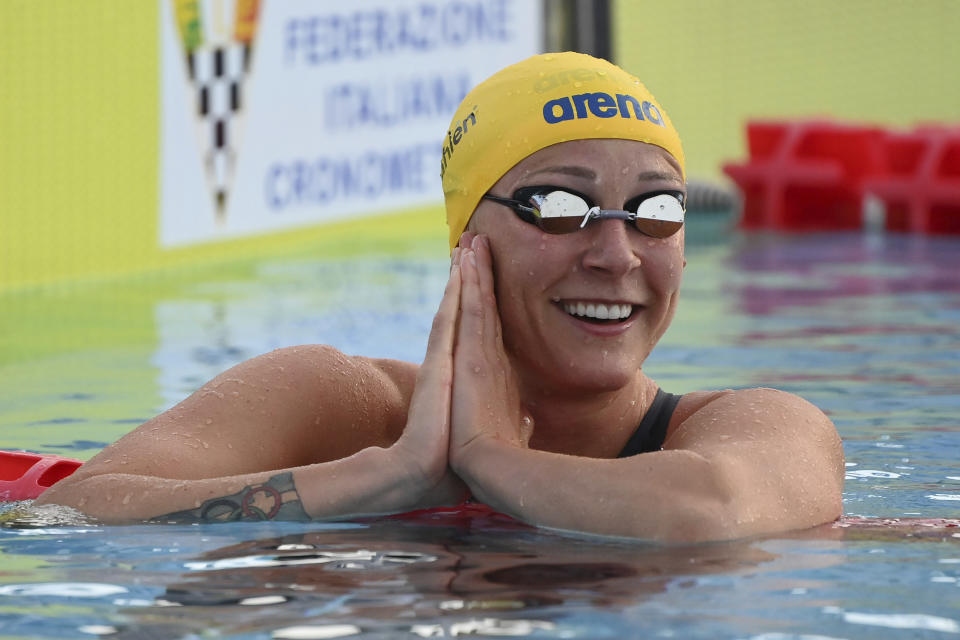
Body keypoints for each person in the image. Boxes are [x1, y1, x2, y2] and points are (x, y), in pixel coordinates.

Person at [37, 52, 845, 542]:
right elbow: (72, 515)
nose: (615, 253)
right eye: (558, 207)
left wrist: (490, 461)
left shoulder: (756, 427)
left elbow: (709, 516)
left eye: (656, 211)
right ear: (468, 240)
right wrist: (386, 479)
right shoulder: (340, 404)